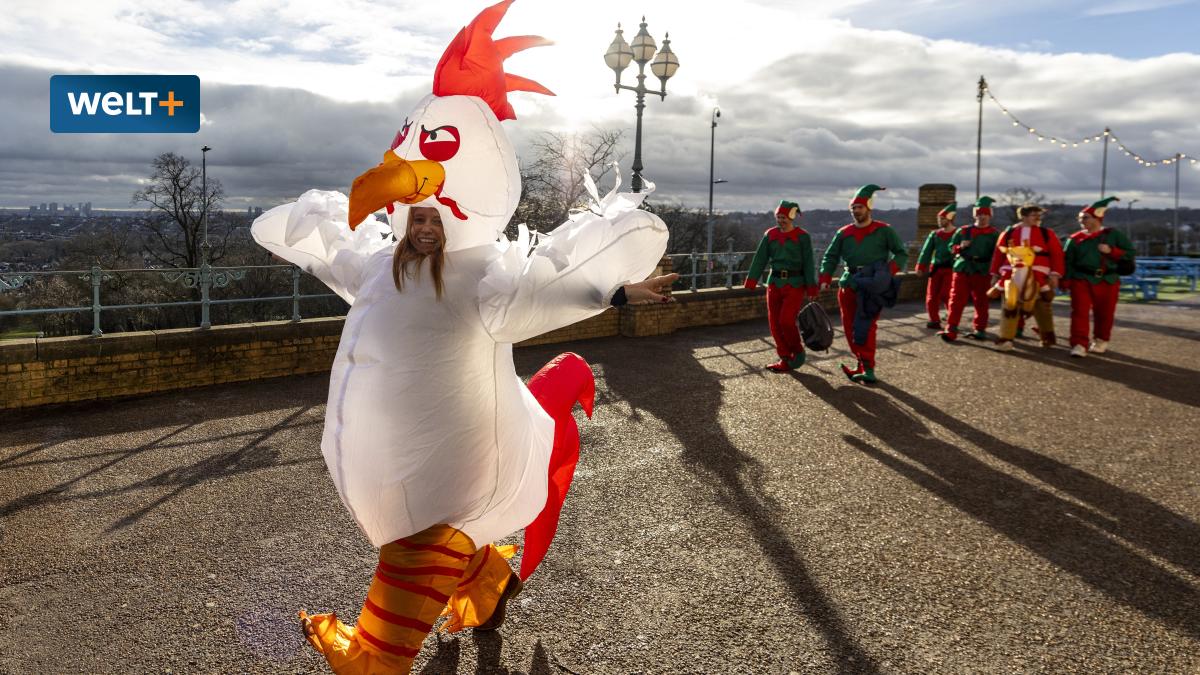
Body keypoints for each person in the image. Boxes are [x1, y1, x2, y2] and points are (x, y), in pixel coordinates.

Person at [251, 3, 674, 672]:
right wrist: (301, 228)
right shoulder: (383, 265)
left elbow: (559, 280)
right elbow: (323, 244)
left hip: (452, 470)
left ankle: (372, 652)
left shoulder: (485, 278)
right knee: (431, 531)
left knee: (410, 565)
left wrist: (620, 277)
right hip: (395, 467)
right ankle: (487, 577)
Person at [819, 184, 908, 384]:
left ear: (868, 208)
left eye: (859, 207)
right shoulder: (844, 232)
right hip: (849, 283)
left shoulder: (884, 231)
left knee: (866, 326)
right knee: (850, 328)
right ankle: (861, 362)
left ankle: (868, 368)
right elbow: (830, 256)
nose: (856, 211)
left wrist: (887, 272)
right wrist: (825, 277)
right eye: (853, 208)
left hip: (872, 286)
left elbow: (901, 253)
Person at [744, 200, 819, 371]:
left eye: (784, 217)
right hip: (774, 283)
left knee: (786, 321)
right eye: (778, 217)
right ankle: (785, 358)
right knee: (774, 324)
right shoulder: (770, 235)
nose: (781, 220)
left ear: (791, 217)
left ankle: (797, 351)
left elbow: (808, 262)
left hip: (795, 284)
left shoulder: (802, 236)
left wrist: (811, 286)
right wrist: (752, 279)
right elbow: (760, 258)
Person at [1063, 196, 1134, 357]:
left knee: (1105, 312)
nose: (1082, 221)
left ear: (1097, 218)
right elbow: (1067, 261)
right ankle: (1079, 344)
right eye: (1080, 218)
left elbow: (1130, 253)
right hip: (1081, 278)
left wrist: (1112, 251)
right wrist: (1065, 280)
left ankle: (1101, 339)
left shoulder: (1113, 235)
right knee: (1079, 312)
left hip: (1108, 279)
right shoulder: (1075, 239)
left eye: (1085, 218)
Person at [990, 203, 1065, 351]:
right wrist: (995, 274)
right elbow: (999, 254)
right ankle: (1005, 339)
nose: (1038, 218)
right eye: (1034, 215)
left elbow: (1057, 254)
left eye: (1039, 215)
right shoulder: (1009, 233)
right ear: (1023, 216)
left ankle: (1047, 336)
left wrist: (1055, 274)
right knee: (1010, 307)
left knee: (1042, 307)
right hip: (1011, 273)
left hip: (1039, 273)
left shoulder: (1046, 233)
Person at [938, 196, 1000, 342]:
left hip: (983, 270)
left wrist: (996, 274)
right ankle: (951, 328)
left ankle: (979, 329)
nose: (982, 217)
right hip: (963, 267)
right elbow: (951, 248)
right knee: (956, 300)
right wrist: (960, 247)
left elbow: (998, 255)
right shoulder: (963, 231)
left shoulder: (994, 234)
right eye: (979, 214)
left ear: (989, 215)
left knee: (981, 301)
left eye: (985, 214)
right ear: (975, 215)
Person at [915, 201, 958, 330]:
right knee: (931, 296)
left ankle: (952, 319)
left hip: (951, 269)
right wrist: (921, 266)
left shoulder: (958, 234)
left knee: (947, 295)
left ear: (949, 218)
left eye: (942, 218)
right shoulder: (934, 234)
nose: (940, 221)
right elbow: (926, 251)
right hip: (936, 269)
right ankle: (934, 320)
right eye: (939, 218)